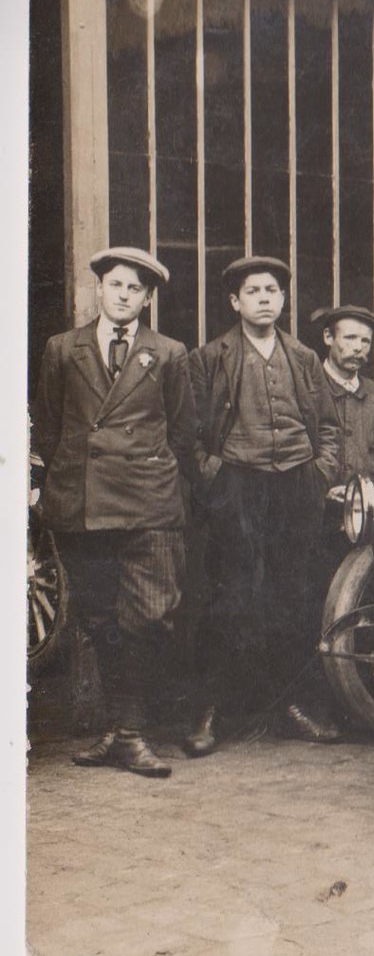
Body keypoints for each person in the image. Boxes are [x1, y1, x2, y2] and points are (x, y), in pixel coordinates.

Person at [34, 247, 200, 777]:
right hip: (83, 503)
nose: (125, 295)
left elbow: (183, 432)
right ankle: (119, 731)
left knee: (149, 617)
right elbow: (52, 425)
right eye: (116, 285)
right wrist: (54, 491)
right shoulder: (63, 349)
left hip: (148, 501)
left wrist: (163, 485)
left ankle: (132, 732)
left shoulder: (169, 353)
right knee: (100, 618)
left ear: (147, 299)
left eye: (136, 289)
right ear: (98, 290)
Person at [188, 255, 342, 752]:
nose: (264, 299)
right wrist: (215, 478)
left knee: (293, 596)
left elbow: (330, 428)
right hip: (238, 486)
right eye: (253, 291)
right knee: (231, 597)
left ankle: (291, 706)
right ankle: (213, 712)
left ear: (283, 299)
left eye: (272, 291)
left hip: (296, 485)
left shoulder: (303, 358)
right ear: (235, 302)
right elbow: (188, 435)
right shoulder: (211, 357)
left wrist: (319, 472)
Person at [313, 305, 374, 490]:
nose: (358, 348)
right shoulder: (308, 387)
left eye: (365, 341)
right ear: (328, 337)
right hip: (318, 501)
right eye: (350, 338)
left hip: (363, 503)